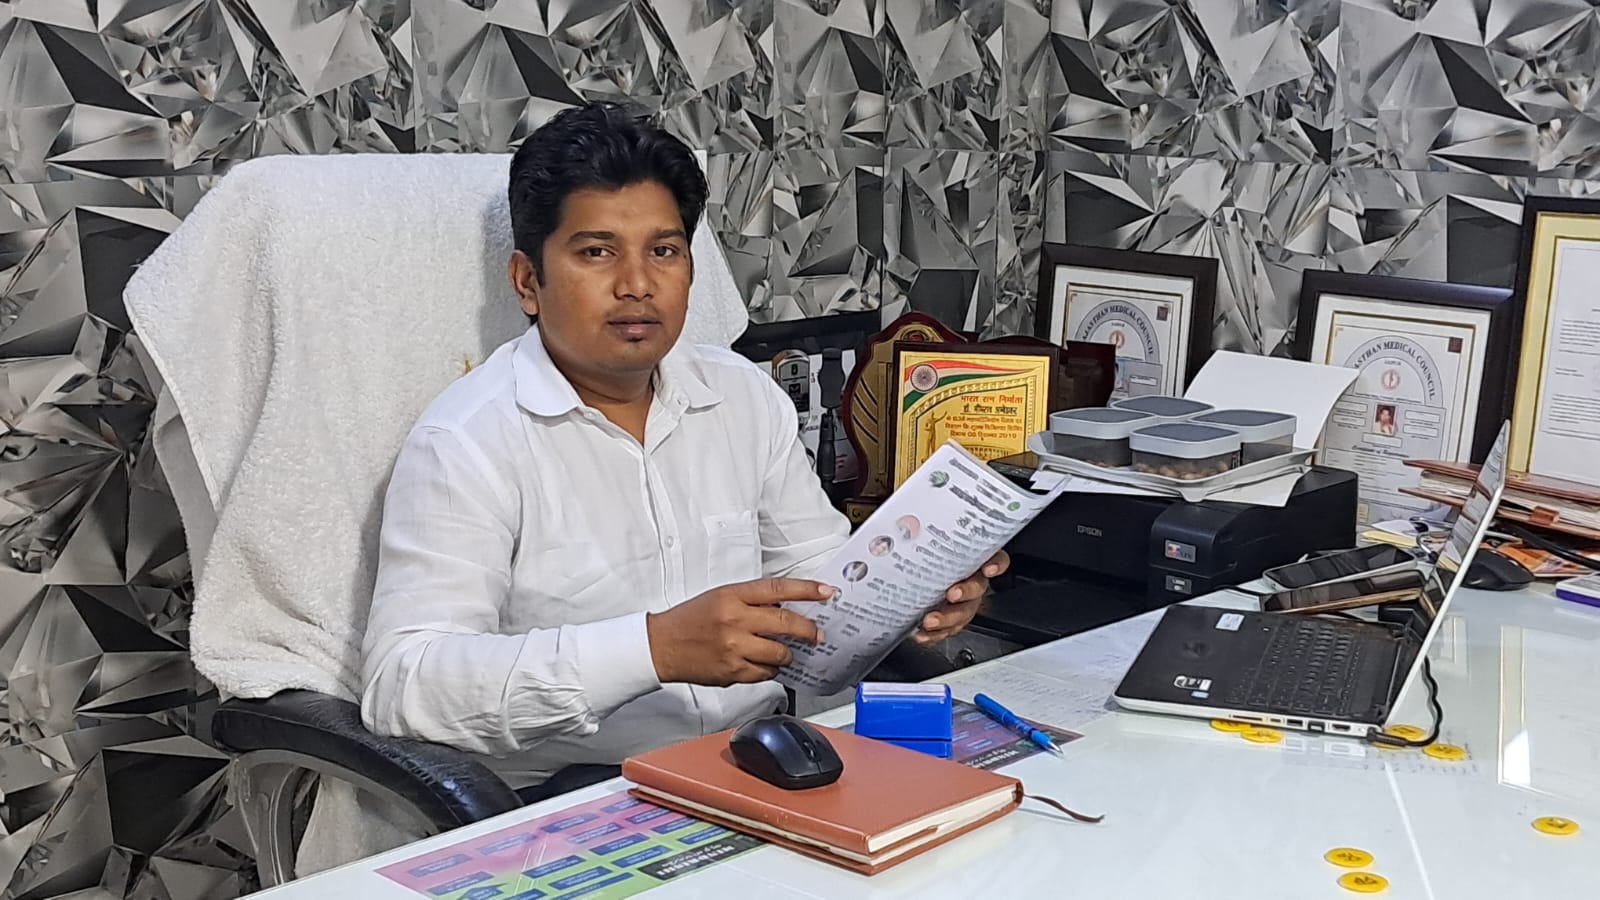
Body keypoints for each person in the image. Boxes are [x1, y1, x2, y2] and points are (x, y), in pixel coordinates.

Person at [359, 102, 1007, 798]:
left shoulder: (744, 396)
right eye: (597, 252)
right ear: (527, 281)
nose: (637, 284)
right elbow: (405, 686)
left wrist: (910, 599)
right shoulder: (465, 442)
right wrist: (654, 649)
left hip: (760, 762)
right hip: (573, 794)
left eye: (663, 251)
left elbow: (815, 581)